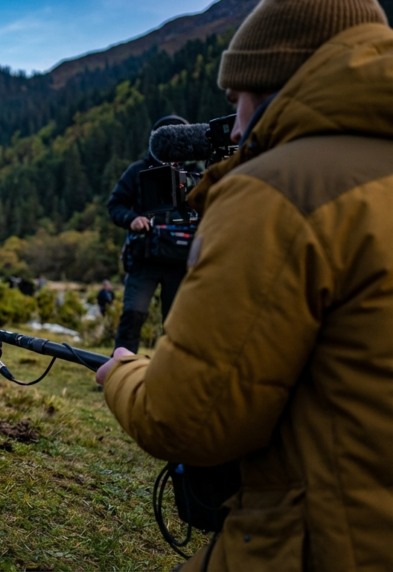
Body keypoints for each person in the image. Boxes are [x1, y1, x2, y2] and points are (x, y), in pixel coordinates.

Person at [95, 0, 393, 569]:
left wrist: (124, 375)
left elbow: (184, 419)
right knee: (137, 314)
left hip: (335, 541)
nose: (232, 128)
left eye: (237, 103)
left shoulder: (278, 190)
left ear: (272, 82)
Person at [107, 115, 190, 352]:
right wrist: (132, 219)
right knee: (133, 315)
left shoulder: (192, 174)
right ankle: (118, 371)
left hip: (180, 259)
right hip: (144, 257)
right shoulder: (138, 171)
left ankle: (172, 378)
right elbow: (115, 205)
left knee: (176, 323)